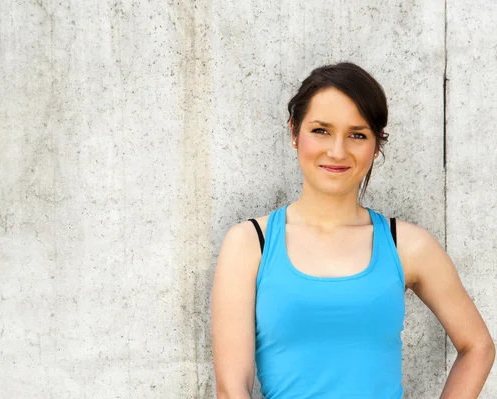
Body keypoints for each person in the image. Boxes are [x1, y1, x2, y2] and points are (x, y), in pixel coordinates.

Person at [210, 62, 495, 399]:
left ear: (376, 146)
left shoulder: (408, 245)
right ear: (293, 132)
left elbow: (478, 346)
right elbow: (231, 387)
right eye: (321, 130)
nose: (337, 151)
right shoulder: (248, 244)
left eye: (357, 135)